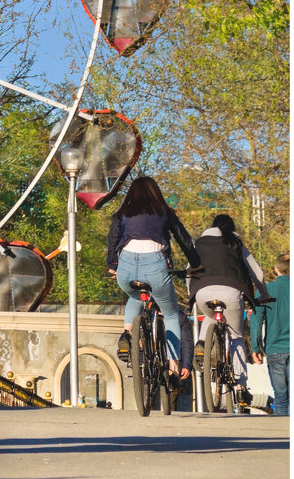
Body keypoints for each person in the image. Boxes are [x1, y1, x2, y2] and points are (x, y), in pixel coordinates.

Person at [106, 176, 201, 372]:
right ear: (155, 192)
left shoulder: (122, 213)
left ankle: (127, 332)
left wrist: (112, 265)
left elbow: (113, 239)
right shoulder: (164, 212)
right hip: (155, 265)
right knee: (171, 314)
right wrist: (196, 263)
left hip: (126, 265)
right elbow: (183, 238)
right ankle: (173, 360)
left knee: (135, 296)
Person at [189, 214, 272, 408]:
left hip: (202, 291)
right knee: (235, 337)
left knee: (210, 316)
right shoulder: (236, 243)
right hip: (231, 291)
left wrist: (191, 293)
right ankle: (241, 388)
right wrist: (264, 293)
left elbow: (189, 270)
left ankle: (202, 343)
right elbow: (257, 273)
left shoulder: (199, 243)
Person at [251, 252, 289, 416]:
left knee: (280, 397)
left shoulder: (266, 290)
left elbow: (256, 321)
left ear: (276, 269)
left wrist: (255, 347)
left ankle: (282, 437)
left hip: (275, 350)